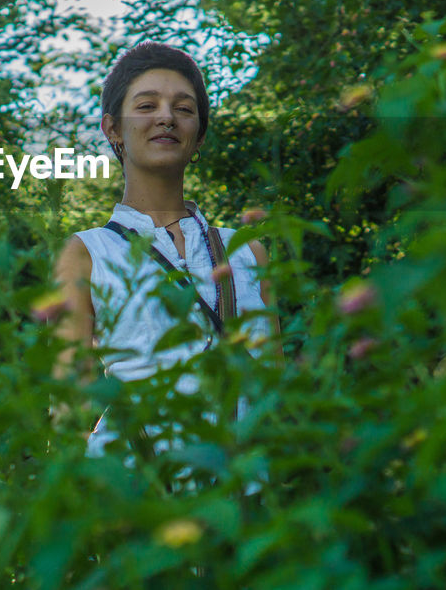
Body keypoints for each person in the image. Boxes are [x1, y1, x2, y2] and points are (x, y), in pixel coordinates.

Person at [49, 41, 283, 486]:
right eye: (146, 105)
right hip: (139, 509)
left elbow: (275, 392)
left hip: (248, 510)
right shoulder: (86, 252)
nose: (166, 117)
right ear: (112, 128)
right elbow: (68, 406)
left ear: (198, 135)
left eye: (183, 108)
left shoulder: (249, 251)